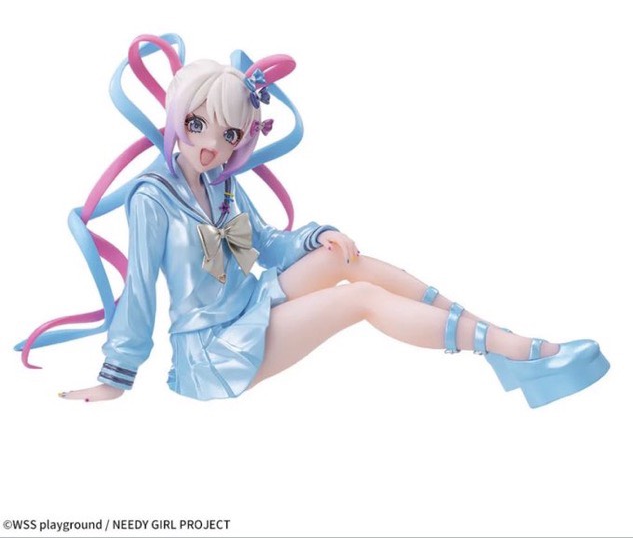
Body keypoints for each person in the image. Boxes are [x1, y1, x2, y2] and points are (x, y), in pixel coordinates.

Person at [16, 34, 610, 408]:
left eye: (229, 134)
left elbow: (267, 246)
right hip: (212, 351)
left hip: (251, 305)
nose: (211, 144)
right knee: (360, 299)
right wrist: (115, 379)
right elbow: (140, 290)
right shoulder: (152, 197)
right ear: (177, 118)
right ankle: (513, 351)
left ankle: (505, 342)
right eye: (197, 125)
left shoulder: (223, 185)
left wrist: (315, 236)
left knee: (344, 259)